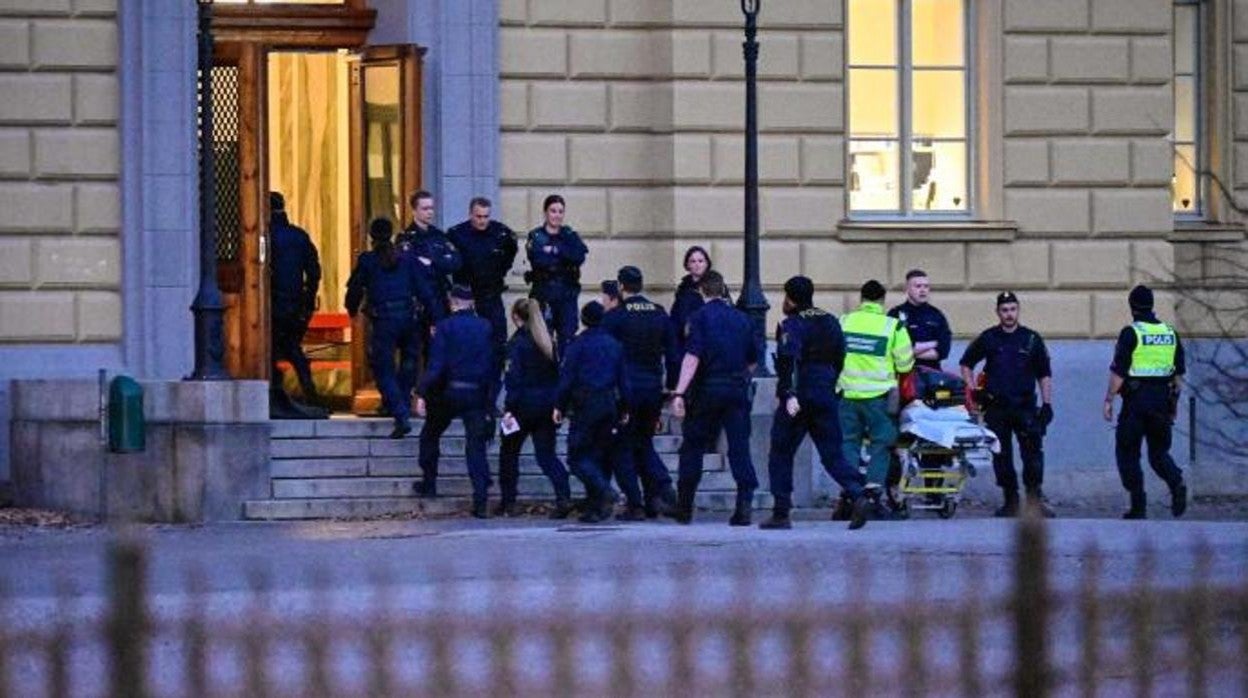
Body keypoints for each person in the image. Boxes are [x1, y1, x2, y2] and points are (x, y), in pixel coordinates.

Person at [761, 276, 870, 530]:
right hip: (826, 392)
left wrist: (788, 394)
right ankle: (857, 493)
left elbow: (789, 360)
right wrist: (830, 386)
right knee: (832, 454)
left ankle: (781, 512)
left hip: (800, 394)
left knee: (781, 451)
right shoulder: (830, 321)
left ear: (790, 298)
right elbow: (841, 357)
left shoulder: (792, 324)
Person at [669, 271, 760, 526]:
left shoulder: (699, 318)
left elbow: (692, 358)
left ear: (703, 291)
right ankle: (744, 505)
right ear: (722, 290)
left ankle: (684, 507)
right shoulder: (743, 319)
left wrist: (679, 392)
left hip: (706, 390)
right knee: (739, 447)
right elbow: (753, 361)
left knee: (693, 447)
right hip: (736, 390)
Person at [959, 292, 1055, 518]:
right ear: (998, 312)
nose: (1009, 314)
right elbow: (966, 364)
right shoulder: (989, 338)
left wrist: (1047, 404)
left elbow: (1044, 374)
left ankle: (1034, 501)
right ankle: (1010, 501)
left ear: (1018, 310)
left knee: (1032, 455)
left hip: (1025, 406)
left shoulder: (1031, 339)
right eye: (1005, 310)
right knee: (1001, 456)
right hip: (997, 407)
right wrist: (973, 392)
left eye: (1012, 309)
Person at [345, 218, 441, 438]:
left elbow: (354, 289)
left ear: (371, 237)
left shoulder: (368, 260)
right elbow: (425, 290)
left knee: (383, 368)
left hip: (384, 321)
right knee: (408, 365)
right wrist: (435, 318)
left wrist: (351, 310)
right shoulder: (407, 259)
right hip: (409, 318)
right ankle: (401, 406)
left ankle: (399, 412)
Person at [1103, 284, 1188, 519]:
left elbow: (1119, 372)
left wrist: (1109, 399)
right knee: (1159, 453)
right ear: (1152, 305)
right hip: (1161, 401)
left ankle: (1138, 505)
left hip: (1136, 403)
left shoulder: (1131, 333)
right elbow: (1178, 375)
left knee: (1128, 452)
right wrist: (1173, 404)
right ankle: (1176, 482)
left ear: (1132, 307)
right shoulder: (1170, 333)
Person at [601, 266, 679, 519]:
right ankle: (661, 493)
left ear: (621, 287)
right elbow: (673, 354)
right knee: (643, 443)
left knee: (621, 446)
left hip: (626, 392)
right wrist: (674, 388)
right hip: (653, 389)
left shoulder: (616, 317)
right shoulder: (659, 314)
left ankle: (635, 503)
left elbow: (605, 355)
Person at [414, 285, 495, 517]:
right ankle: (480, 499)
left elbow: (436, 365)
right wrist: (490, 400)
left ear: (453, 303)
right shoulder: (485, 327)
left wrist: (421, 392)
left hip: (449, 393)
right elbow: (491, 364)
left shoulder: (445, 327)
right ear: (471, 304)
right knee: (475, 446)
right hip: (476, 394)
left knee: (430, 434)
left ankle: (429, 483)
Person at [838, 280, 914, 516]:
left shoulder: (844, 322)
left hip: (848, 394)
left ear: (862, 300)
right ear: (882, 300)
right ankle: (872, 493)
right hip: (880, 398)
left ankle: (850, 491)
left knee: (849, 443)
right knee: (882, 444)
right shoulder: (893, 326)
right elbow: (906, 363)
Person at [498, 299, 573, 519]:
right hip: (546, 406)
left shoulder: (517, 344)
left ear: (516, 317)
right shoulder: (548, 341)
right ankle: (563, 496)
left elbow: (514, 379)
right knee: (547, 456)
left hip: (522, 407)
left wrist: (508, 408)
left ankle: (508, 501)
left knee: (509, 454)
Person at [553, 301, 628, 524]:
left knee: (577, 457)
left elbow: (567, 379)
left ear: (583, 319)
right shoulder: (614, 344)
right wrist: (625, 406)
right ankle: (597, 507)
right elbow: (623, 379)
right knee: (599, 455)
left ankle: (605, 492)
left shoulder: (577, 344)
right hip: (608, 402)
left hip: (585, 403)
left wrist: (559, 405)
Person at [447, 197, 518, 409]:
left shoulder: (501, 234)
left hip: (490, 296)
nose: (482, 221)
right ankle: (460, 400)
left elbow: (509, 256)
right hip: (465, 299)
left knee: (497, 348)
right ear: (470, 214)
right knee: (463, 348)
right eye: (478, 216)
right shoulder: (457, 234)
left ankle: (489, 400)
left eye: (486, 216)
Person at [268, 191, 323, 414]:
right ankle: (310, 393)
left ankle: (276, 391)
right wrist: (309, 299)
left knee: (273, 348)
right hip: (294, 302)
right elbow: (313, 270)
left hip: (273, 303)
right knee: (292, 348)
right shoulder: (299, 236)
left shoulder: (265, 236)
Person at [526, 194, 588, 351]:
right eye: (553, 211)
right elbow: (539, 259)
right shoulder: (536, 236)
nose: (557, 215)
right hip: (543, 294)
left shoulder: (569, 235)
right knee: (542, 342)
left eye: (561, 211)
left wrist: (555, 250)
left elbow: (579, 256)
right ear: (545, 212)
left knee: (567, 340)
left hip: (567, 294)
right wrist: (565, 255)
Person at [398, 190, 462, 317]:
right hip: (420, 299)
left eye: (431, 208)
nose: (430, 212)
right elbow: (414, 269)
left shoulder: (438, 235)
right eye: (425, 208)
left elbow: (456, 261)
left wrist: (432, 262)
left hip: (441, 295)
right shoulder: (407, 239)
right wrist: (441, 261)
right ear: (414, 211)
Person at [888, 269, 951, 371]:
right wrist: (933, 344)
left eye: (926, 286)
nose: (923, 290)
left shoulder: (936, 315)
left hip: (931, 376)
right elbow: (893, 349)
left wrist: (911, 352)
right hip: (903, 375)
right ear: (907, 289)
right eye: (918, 286)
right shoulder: (896, 314)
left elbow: (943, 351)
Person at [667, 245, 712, 391]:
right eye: (693, 261)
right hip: (684, 342)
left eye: (700, 260)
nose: (697, 264)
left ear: (706, 263)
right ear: (687, 265)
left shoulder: (714, 285)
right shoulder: (683, 288)